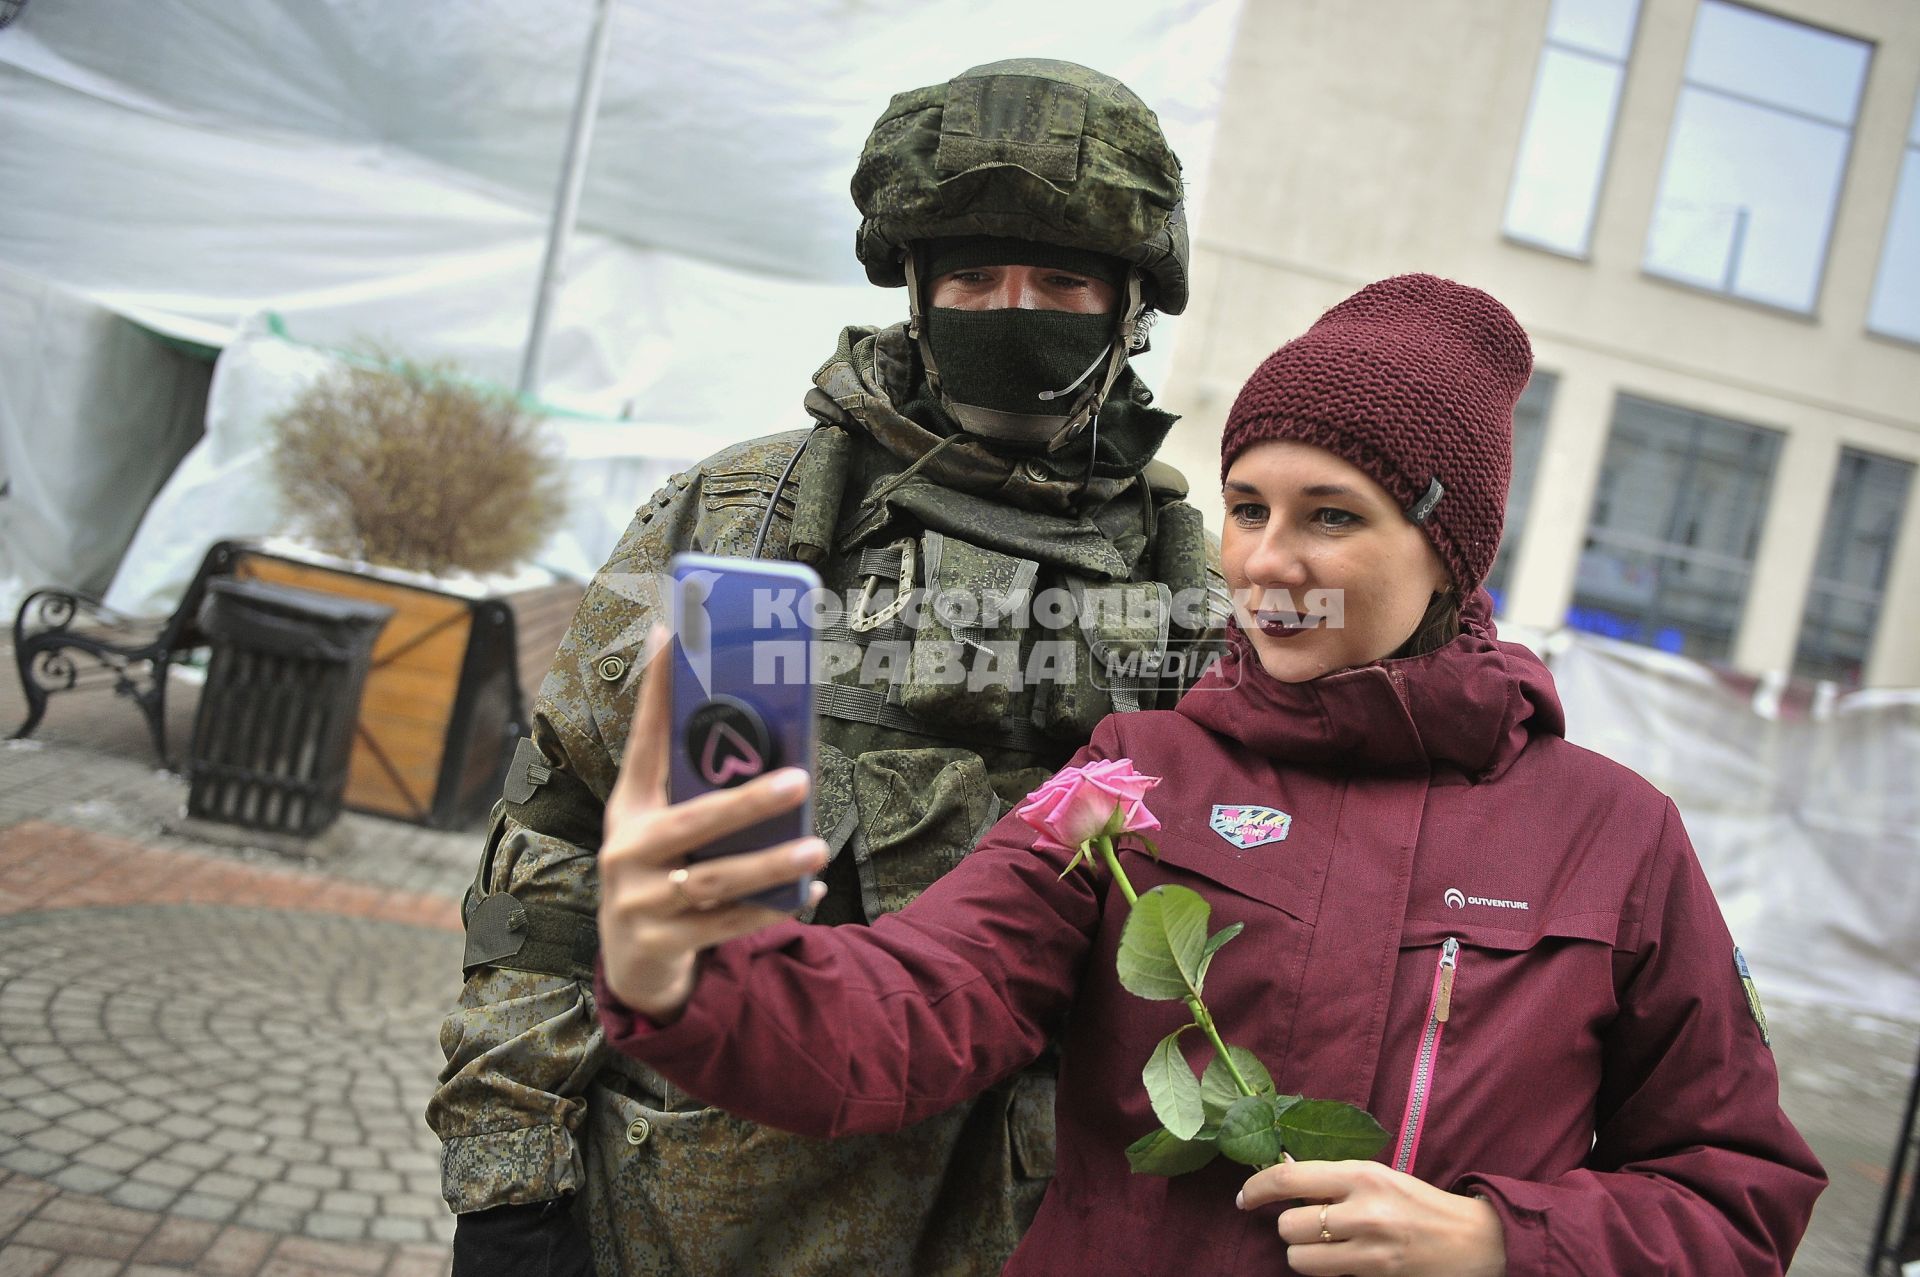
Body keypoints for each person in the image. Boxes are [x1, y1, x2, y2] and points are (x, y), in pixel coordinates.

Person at [589, 274, 1827, 1275]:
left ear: (1448, 549)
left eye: (1332, 514)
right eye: (1246, 507)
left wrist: (1501, 1239)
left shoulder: (1613, 836)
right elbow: (922, 1001)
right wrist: (692, 974)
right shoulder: (1135, 776)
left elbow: (1735, 1191)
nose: (1268, 560)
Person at [428, 57, 1227, 1276]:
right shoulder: (749, 525)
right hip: (705, 1213)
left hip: (1021, 1230)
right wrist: (510, 1182)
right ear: (916, 288)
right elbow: (556, 851)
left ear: (1129, 304)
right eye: (972, 275)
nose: (1013, 308)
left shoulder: (1186, 591)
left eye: (1060, 278)